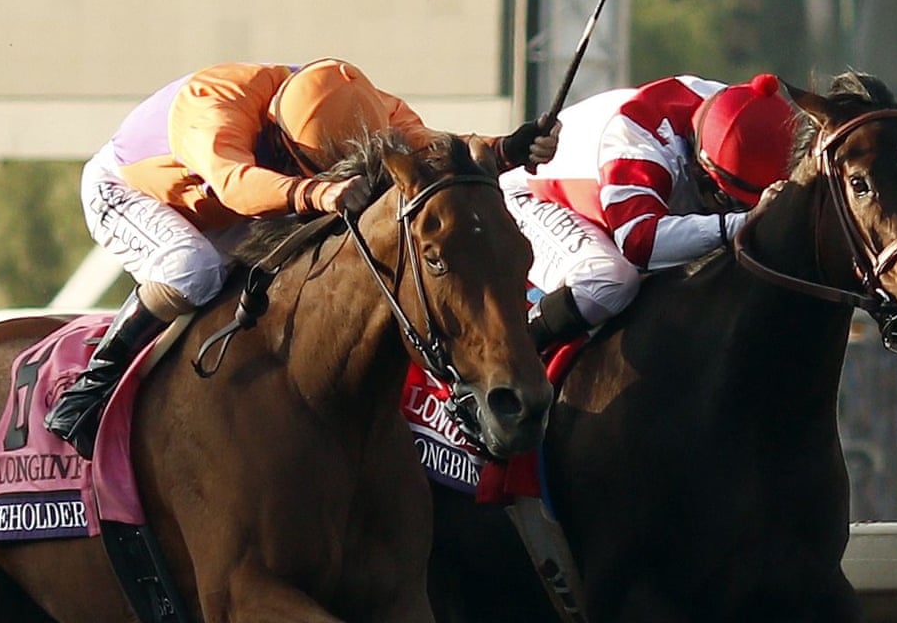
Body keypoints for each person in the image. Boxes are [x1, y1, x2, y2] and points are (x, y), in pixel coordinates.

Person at [45, 57, 558, 459]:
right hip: (135, 193)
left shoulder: (361, 105)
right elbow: (234, 184)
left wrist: (507, 148)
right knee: (192, 269)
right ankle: (93, 388)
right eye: (311, 167)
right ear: (279, 134)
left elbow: (427, 150)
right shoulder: (213, 104)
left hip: (225, 207)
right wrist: (317, 194)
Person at [502, 72, 800, 351]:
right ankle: (511, 353)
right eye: (728, 200)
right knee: (611, 281)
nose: (737, 208)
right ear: (699, 165)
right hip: (533, 197)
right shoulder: (636, 143)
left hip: (621, 207)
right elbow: (640, 245)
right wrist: (743, 221)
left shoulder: (737, 110)